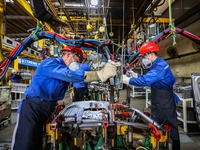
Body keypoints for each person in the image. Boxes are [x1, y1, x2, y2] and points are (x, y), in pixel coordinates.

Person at [11, 45, 119, 150]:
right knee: (25, 143)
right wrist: (100, 74)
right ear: (68, 55)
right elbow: (69, 75)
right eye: (76, 61)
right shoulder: (49, 64)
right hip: (32, 109)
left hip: (47, 108)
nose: (77, 65)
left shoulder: (64, 68)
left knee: (39, 141)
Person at [122, 42, 180, 150]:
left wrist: (128, 80)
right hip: (158, 99)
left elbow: (146, 81)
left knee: (170, 128)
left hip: (165, 101)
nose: (143, 59)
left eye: (144, 56)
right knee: (156, 125)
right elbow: (150, 78)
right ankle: (158, 145)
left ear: (151, 54)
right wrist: (136, 75)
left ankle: (174, 147)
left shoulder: (160, 65)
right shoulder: (155, 65)